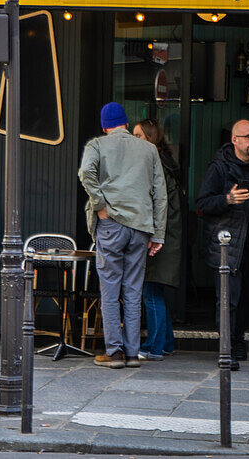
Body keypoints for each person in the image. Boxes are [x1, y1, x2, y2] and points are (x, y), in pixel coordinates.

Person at [79, 103, 167, 369]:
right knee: (133, 290)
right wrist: (159, 234)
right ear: (126, 124)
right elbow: (160, 194)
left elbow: (85, 174)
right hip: (141, 226)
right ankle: (132, 353)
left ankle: (114, 353)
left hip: (111, 223)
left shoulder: (97, 145)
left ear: (105, 126)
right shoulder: (149, 149)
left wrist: (100, 205)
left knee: (109, 289)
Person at [195, 119, 249, 370]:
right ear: (235, 140)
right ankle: (228, 348)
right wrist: (227, 199)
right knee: (228, 300)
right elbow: (202, 203)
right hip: (228, 245)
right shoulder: (219, 168)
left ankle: (239, 336)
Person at [133, 119, 182, 361]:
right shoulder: (165, 161)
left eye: (139, 135)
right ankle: (166, 343)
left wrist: (155, 236)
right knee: (155, 291)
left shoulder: (155, 163)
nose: (135, 140)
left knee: (150, 291)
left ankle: (153, 346)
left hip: (159, 238)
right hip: (167, 236)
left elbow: (158, 203)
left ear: (150, 138)